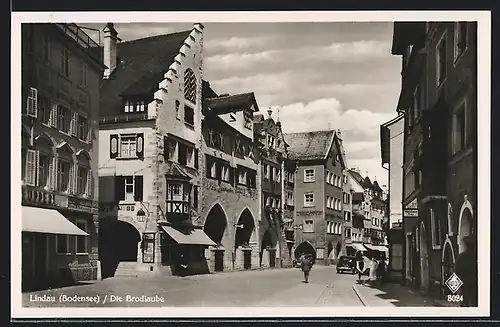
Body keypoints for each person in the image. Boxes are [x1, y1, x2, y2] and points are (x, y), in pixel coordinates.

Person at [455, 235, 478, 307]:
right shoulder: (477, 256)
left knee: (465, 302)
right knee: (475, 302)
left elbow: (457, 272)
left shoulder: (461, 257)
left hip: (465, 283)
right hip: (475, 283)